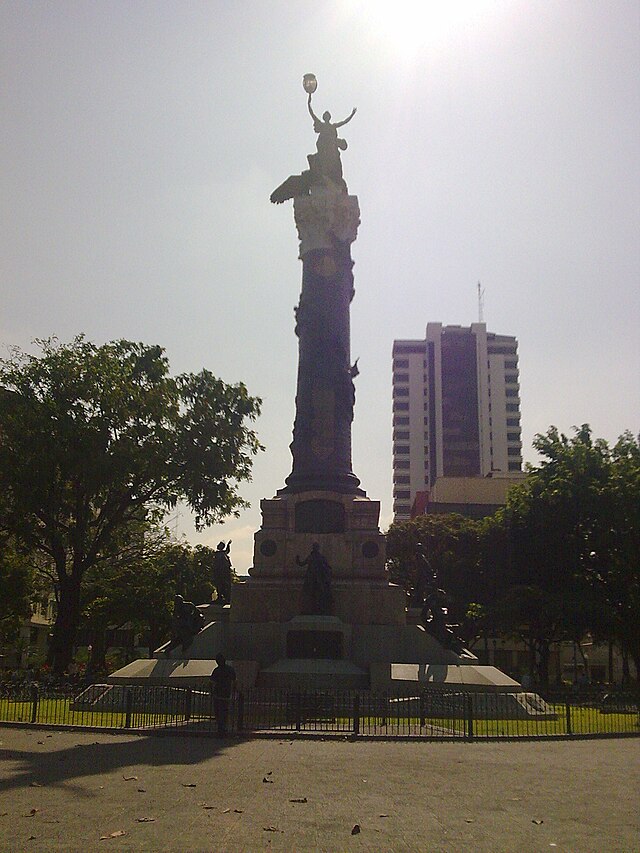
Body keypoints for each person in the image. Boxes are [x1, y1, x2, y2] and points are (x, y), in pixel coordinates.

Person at [210, 654, 236, 737]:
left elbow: (212, 683)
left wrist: (212, 692)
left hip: (218, 694)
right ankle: (224, 727)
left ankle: (220, 727)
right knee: (224, 711)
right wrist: (233, 692)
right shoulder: (230, 670)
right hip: (226, 693)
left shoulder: (216, 670)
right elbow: (234, 681)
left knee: (218, 712)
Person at [212, 540, 233, 605]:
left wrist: (228, 544)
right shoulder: (217, 554)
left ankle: (226, 597)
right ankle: (220, 597)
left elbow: (227, 550)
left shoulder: (223, 553)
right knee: (219, 585)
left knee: (225, 585)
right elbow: (215, 564)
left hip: (224, 572)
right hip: (218, 572)